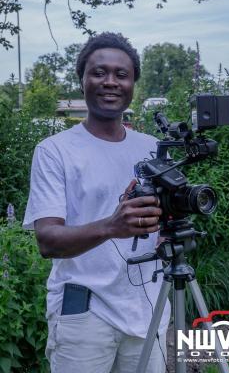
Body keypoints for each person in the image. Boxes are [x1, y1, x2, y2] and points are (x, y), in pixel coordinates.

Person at [23, 32, 170, 373]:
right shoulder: (55, 150)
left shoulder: (153, 148)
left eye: (121, 74)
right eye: (98, 72)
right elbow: (47, 241)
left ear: (133, 83)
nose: (110, 82)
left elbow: (165, 221)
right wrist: (111, 226)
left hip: (147, 308)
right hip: (84, 312)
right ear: (82, 80)